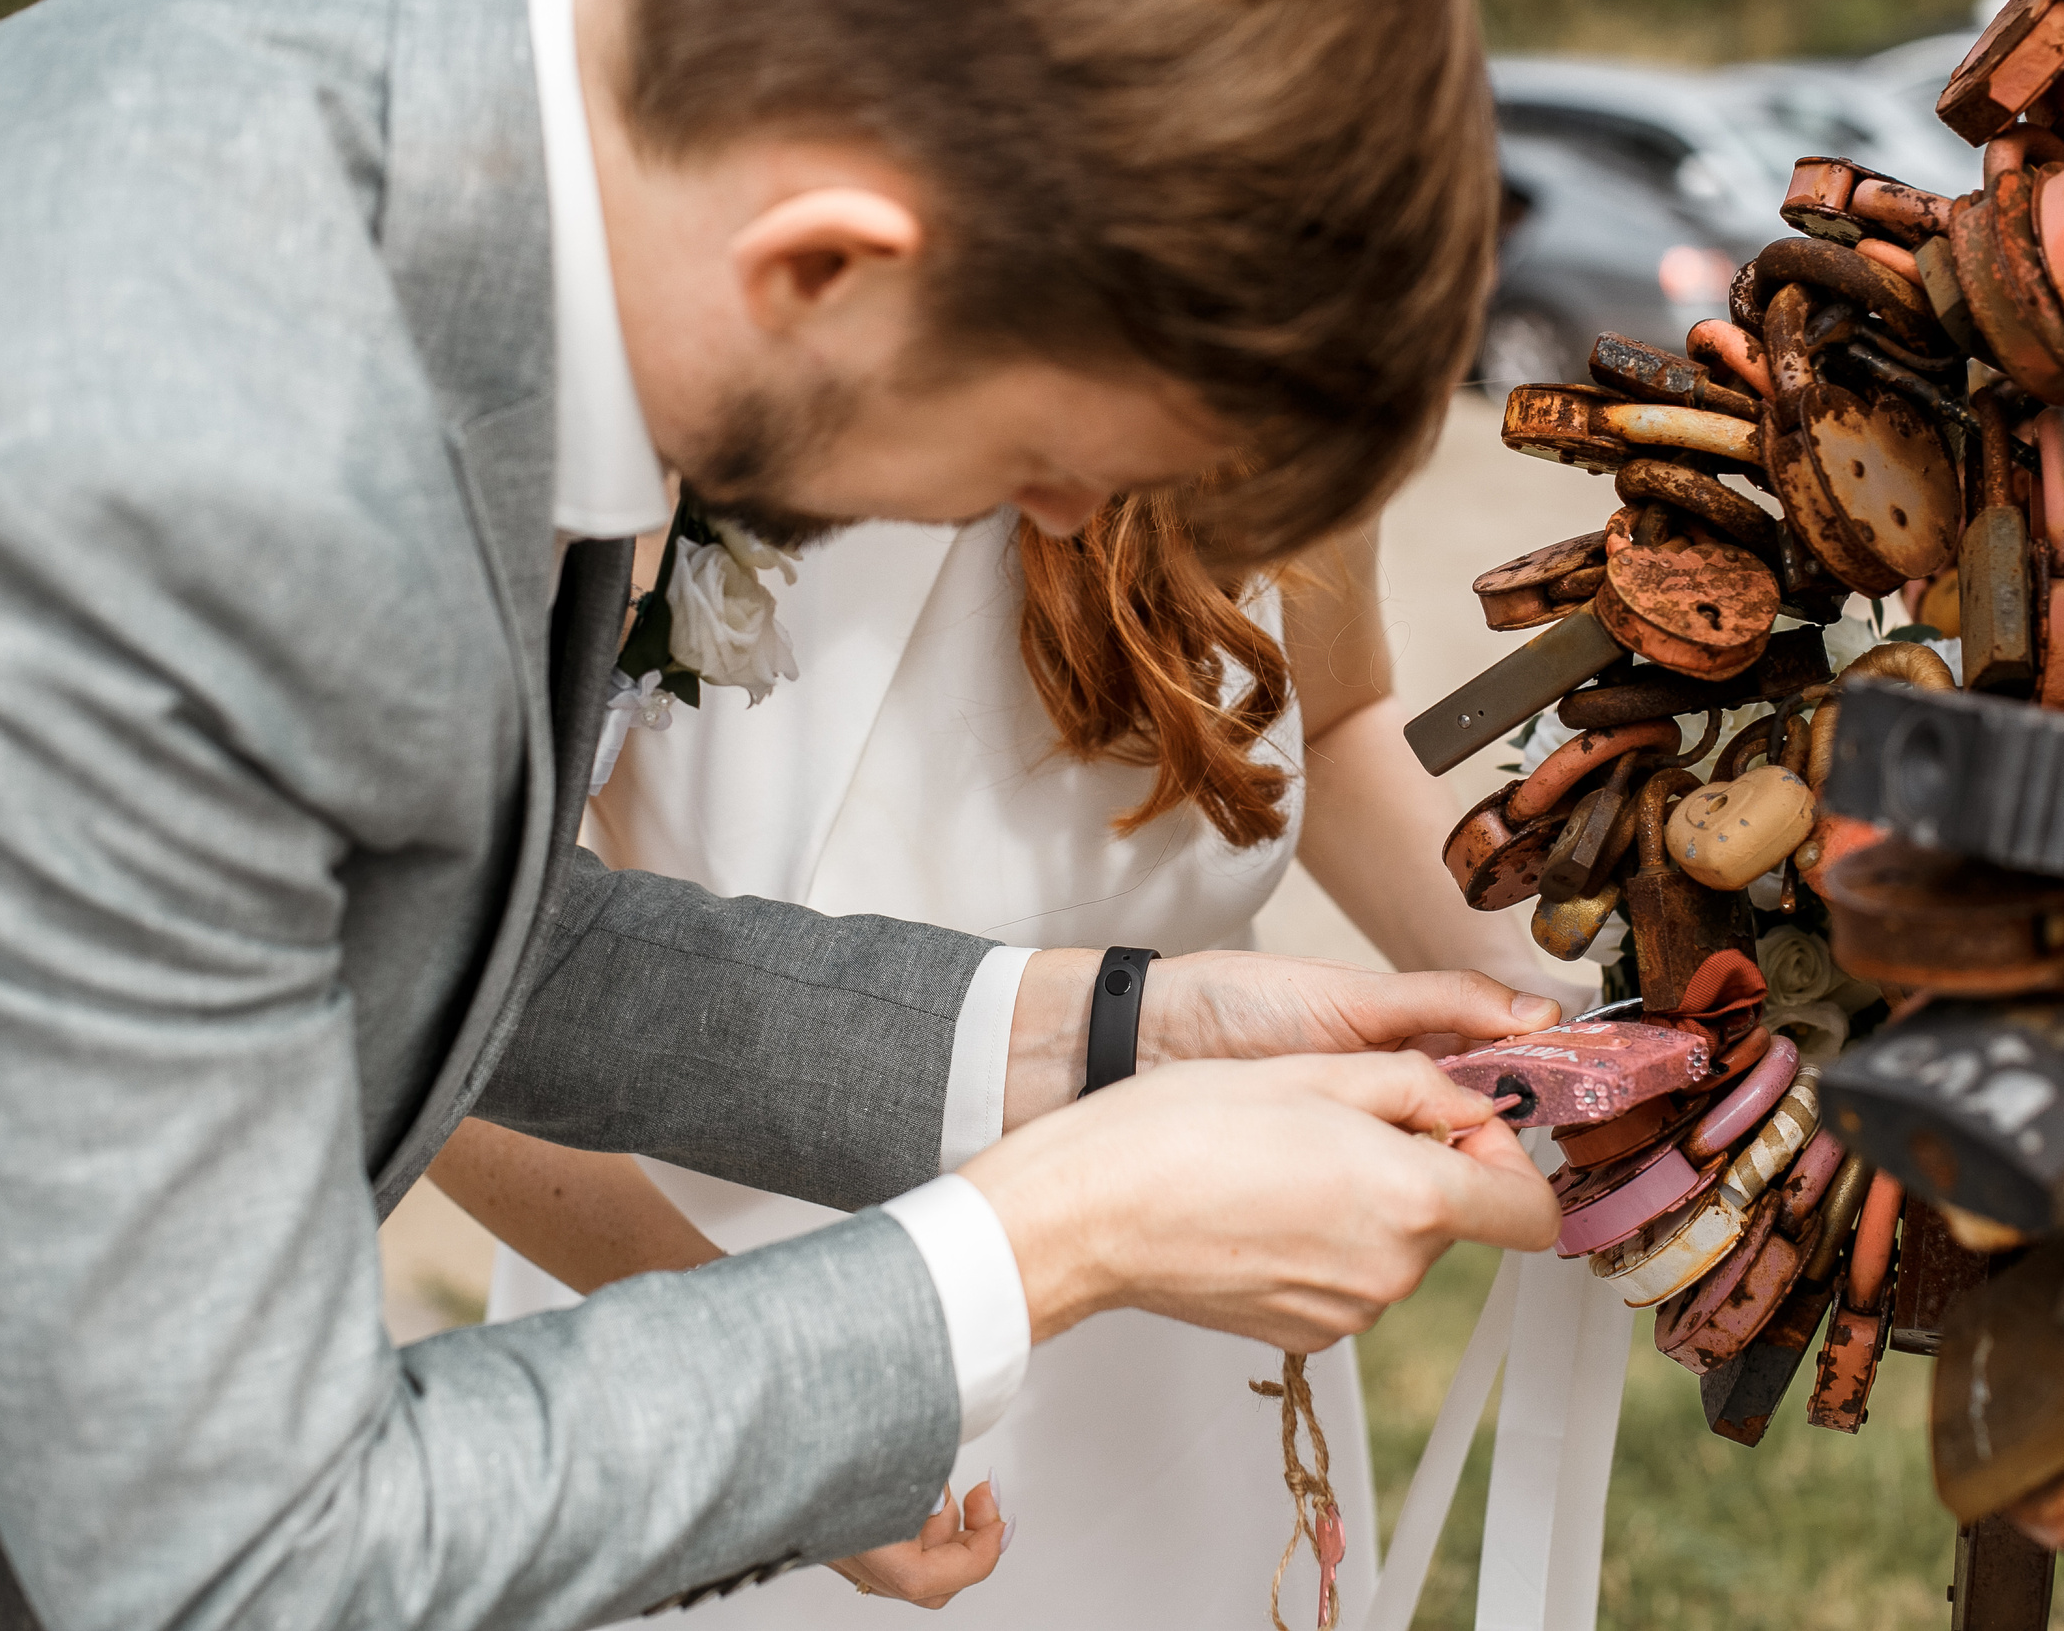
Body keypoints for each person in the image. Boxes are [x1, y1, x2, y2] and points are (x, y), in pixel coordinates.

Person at [0, 0, 1566, 1624]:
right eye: (1044, 463)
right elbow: (253, 1559)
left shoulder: (455, 162)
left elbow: (463, 934)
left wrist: (1116, 1035)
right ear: (826, 264)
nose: (1061, 524)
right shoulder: (131, 494)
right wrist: (1049, 1241)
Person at [433, 499, 1598, 1624]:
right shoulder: (642, 406)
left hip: (1196, 1295)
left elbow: (1327, 715)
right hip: (696, 1276)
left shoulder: (1286, 341)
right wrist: (778, 1392)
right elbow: (431, 980)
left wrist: (1563, 1024)